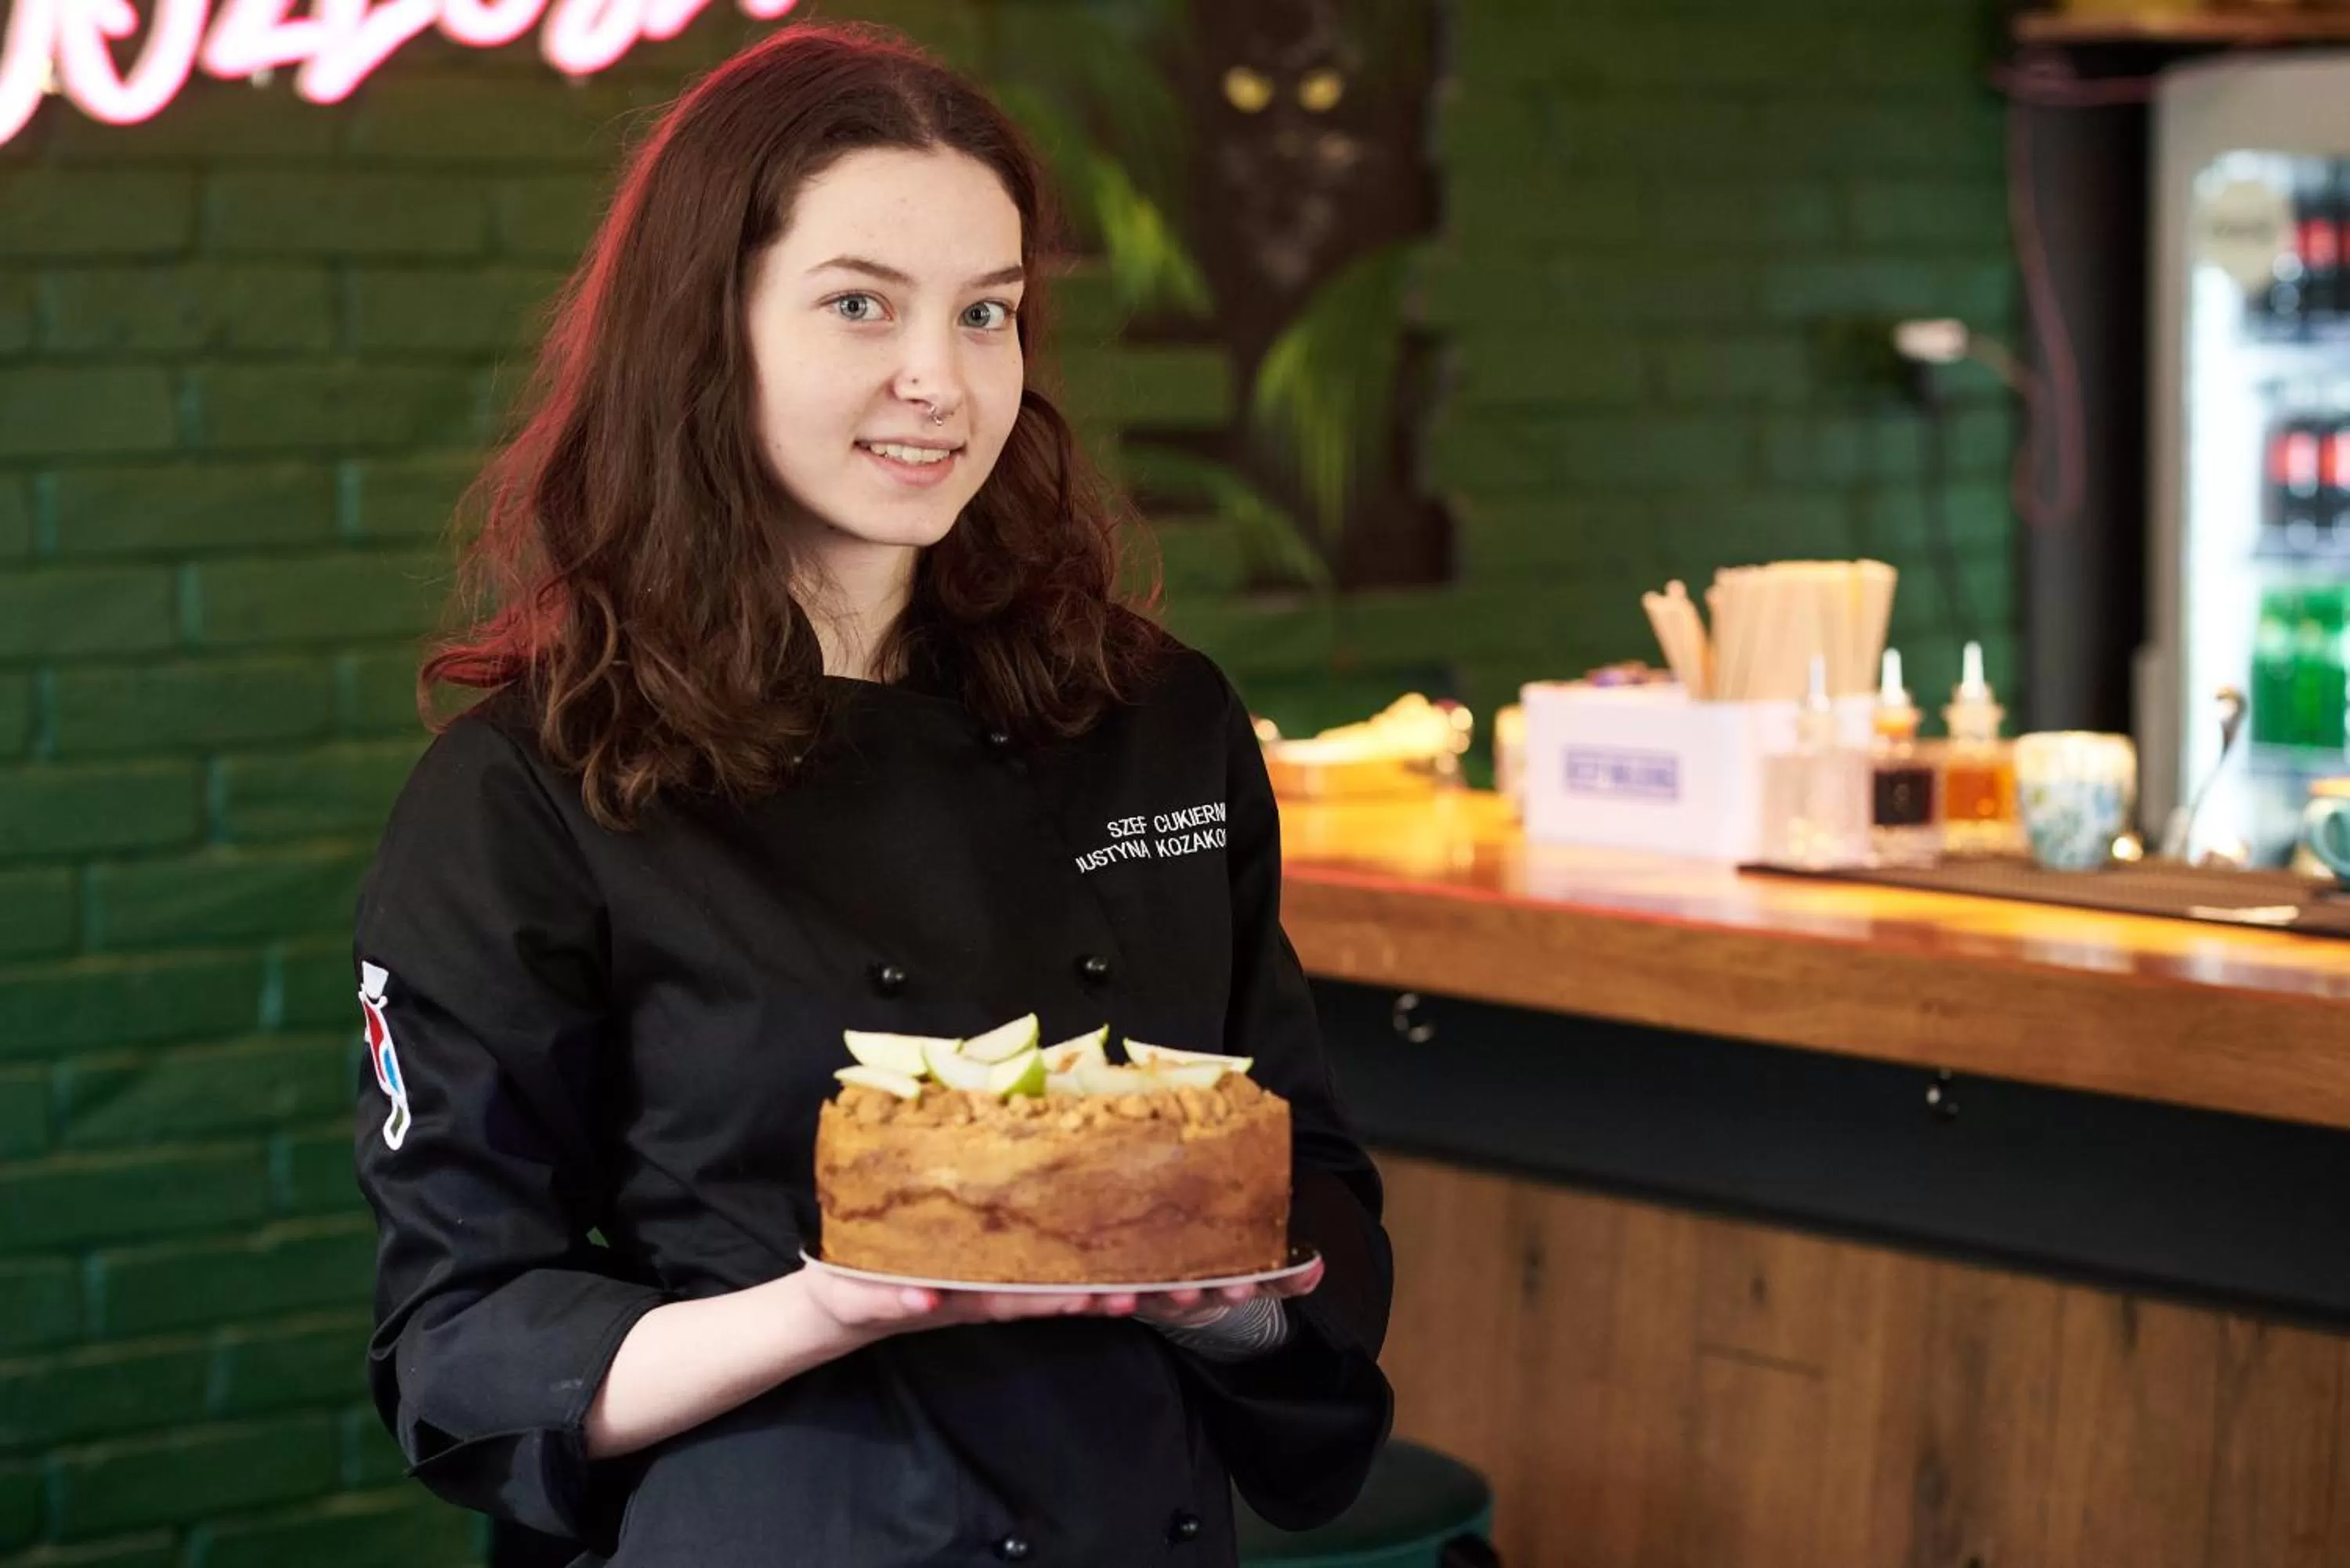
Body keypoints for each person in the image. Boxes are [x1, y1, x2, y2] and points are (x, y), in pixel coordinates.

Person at [350, 19, 1395, 1568]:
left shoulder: (1155, 719)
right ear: (708, 333)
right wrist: (833, 1298)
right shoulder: (527, 792)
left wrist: (1237, 1297)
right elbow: (463, 1329)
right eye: (861, 305)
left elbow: (1302, 1161)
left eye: (988, 312)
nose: (940, 379)